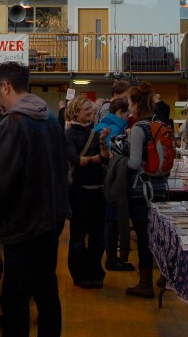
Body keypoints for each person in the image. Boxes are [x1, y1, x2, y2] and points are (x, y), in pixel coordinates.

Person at [0, 61, 68, 337]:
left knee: (16, 302)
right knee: (46, 291)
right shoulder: (49, 117)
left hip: (24, 223)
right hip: (50, 218)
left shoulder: (13, 122)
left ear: (5, 86)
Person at [123, 82, 168, 298]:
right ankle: (165, 276)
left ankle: (145, 283)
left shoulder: (139, 129)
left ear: (136, 105)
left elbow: (133, 163)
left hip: (141, 190)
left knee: (143, 237)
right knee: (159, 234)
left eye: (130, 103)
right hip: (161, 187)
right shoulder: (160, 124)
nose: (129, 107)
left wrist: (119, 159)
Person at [64, 96, 109, 289]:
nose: (91, 111)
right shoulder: (69, 135)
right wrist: (95, 158)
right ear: (76, 113)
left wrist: (102, 144)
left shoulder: (95, 132)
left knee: (99, 236)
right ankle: (80, 274)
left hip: (99, 191)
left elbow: (106, 157)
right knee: (78, 236)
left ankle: (95, 271)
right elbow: (75, 161)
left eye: (91, 108)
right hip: (80, 192)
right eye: (87, 109)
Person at [96, 96, 133, 271]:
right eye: (127, 113)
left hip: (105, 179)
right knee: (112, 220)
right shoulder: (115, 128)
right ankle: (111, 259)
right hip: (112, 180)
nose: (129, 116)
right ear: (120, 112)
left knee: (111, 220)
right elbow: (116, 157)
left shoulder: (105, 124)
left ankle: (111, 258)